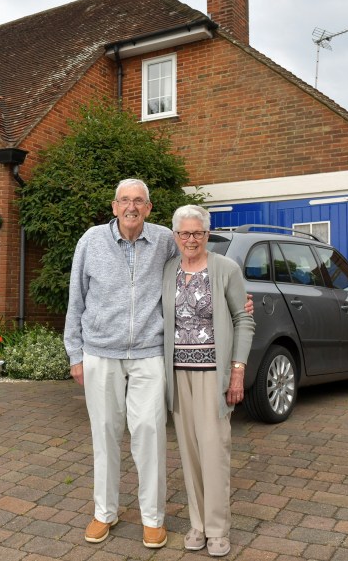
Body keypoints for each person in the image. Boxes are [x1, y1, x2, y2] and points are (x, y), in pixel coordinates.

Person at [64, 178, 176, 549]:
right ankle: (104, 512)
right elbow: (75, 299)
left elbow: (194, 269)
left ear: (149, 207)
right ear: (114, 207)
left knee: (149, 432)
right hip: (100, 352)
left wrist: (231, 295)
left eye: (139, 201)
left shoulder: (164, 240)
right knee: (106, 434)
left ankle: (152, 518)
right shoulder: (91, 240)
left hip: (149, 351)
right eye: (125, 200)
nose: (131, 207)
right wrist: (75, 354)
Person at [162, 204, 255, 557]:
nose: (191, 239)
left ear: (207, 235)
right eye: (184, 233)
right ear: (175, 236)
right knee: (189, 453)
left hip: (214, 375)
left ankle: (217, 529)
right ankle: (197, 524)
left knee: (214, 451)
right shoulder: (169, 270)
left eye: (197, 233)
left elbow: (243, 320)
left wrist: (237, 370)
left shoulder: (225, 269)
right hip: (178, 374)